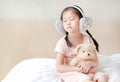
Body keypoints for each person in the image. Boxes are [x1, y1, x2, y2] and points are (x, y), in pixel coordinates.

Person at [54, 5, 109, 82]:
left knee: (103, 77)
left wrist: (89, 63)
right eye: (65, 21)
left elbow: (96, 62)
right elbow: (59, 67)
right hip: (71, 71)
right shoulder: (62, 43)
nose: (68, 23)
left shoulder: (87, 39)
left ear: (82, 22)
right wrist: (76, 69)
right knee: (86, 80)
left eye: (72, 19)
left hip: (88, 70)